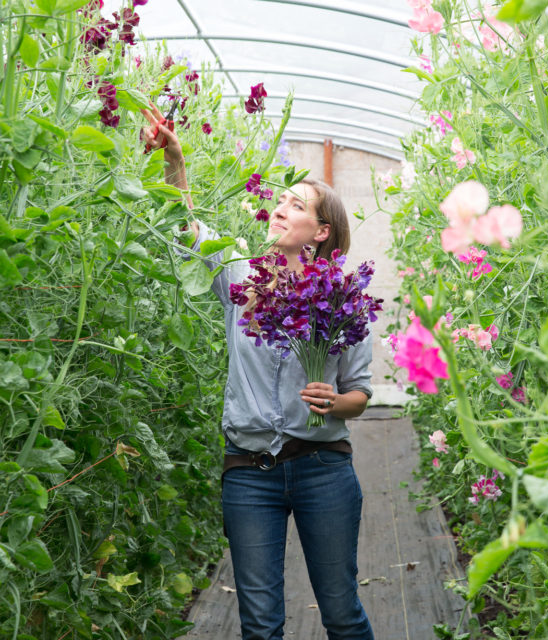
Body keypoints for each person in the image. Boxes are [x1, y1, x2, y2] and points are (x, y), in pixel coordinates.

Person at [141, 104, 375, 640]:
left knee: (341, 613)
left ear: (319, 232)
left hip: (323, 469)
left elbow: (359, 393)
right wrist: (174, 162)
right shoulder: (242, 278)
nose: (280, 208)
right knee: (261, 624)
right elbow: (187, 230)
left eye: (296, 205)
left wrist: (333, 403)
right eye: (281, 200)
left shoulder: (343, 298)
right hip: (248, 472)